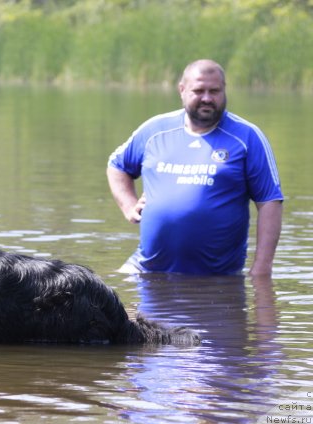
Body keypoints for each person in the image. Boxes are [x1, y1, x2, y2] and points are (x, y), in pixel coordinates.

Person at [106, 59, 283, 276]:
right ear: (182, 90)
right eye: (199, 90)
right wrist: (129, 206)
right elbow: (117, 165)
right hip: (146, 269)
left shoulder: (247, 137)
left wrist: (262, 270)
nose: (207, 98)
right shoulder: (155, 130)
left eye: (214, 91)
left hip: (216, 278)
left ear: (224, 90)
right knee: (100, 299)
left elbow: (270, 201)